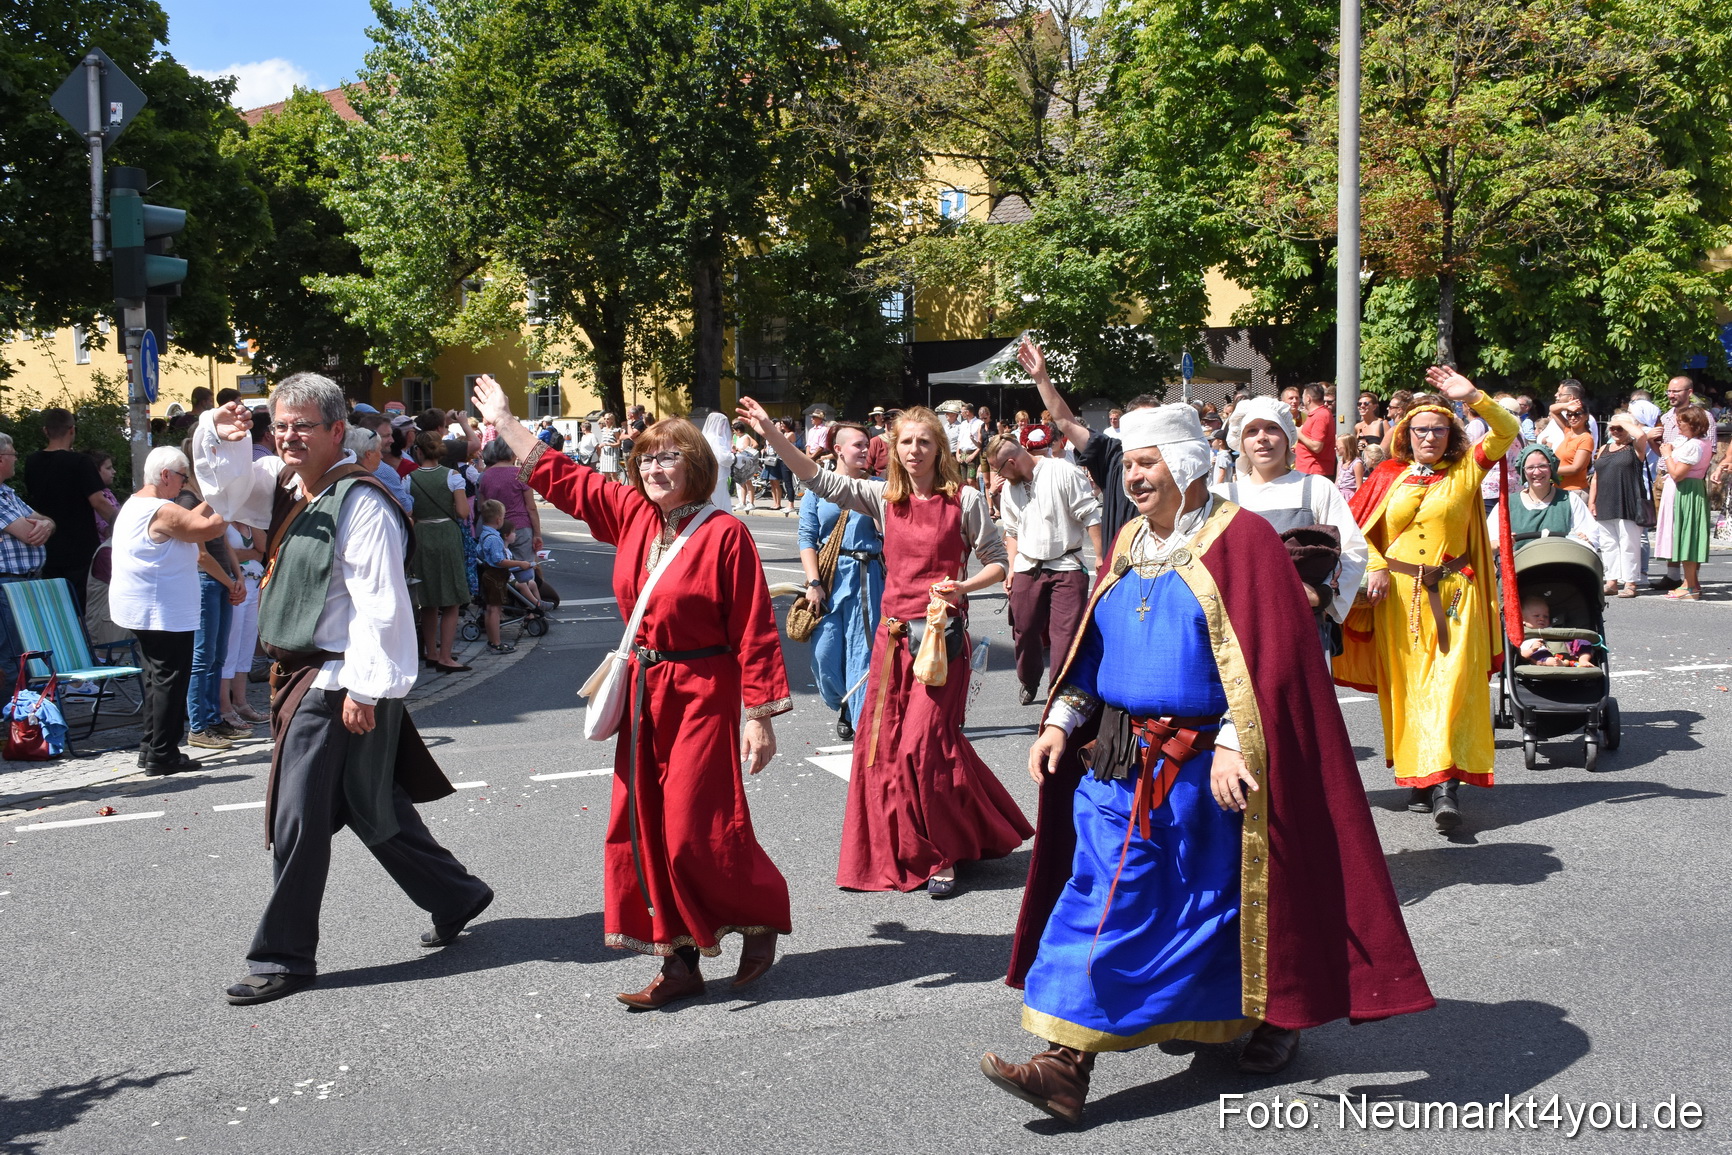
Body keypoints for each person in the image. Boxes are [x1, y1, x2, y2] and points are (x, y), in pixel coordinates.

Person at [984, 404, 1432, 1126]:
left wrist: (1232, 740)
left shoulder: (1244, 541)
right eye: (1128, 464)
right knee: (1103, 893)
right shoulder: (1128, 540)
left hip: (1207, 773)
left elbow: (1274, 666)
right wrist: (1064, 720)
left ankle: (1267, 1012)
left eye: (1148, 462)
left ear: (1188, 466)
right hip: (1120, 758)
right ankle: (1065, 1061)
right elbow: (1092, 650)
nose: (1133, 476)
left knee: (1207, 907)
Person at [474, 374, 792, 1008]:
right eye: (644, 457)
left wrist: (760, 713)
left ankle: (758, 917)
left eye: (668, 456)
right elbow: (563, 477)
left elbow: (755, 627)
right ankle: (677, 962)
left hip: (702, 688)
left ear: (696, 465)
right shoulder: (631, 514)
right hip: (645, 690)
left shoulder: (726, 533)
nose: (653, 467)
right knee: (641, 824)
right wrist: (509, 421)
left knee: (692, 824)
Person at [194, 378, 494, 1006]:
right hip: (307, 678)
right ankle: (456, 894)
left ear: (337, 432)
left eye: (302, 425)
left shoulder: (363, 502)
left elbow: (380, 606)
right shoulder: (281, 485)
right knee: (369, 802)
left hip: (336, 681)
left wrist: (364, 687)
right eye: (278, 425)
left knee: (296, 815)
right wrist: (221, 439)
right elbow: (221, 495)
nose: (287, 436)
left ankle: (283, 957)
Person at [740, 397, 1031, 898]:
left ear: (940, 447)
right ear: (892, 449)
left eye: (924, 441)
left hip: (942, 641)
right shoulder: (881, 498)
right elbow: (816, 478)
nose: (915, 450)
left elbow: (997, 561)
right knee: (885, 749)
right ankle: (933, 838)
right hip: (892, 641)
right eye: (906, 442)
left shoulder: (965, 499)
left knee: (924, 744)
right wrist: (772, 434)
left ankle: (938, 855)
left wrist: (964, 587)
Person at [1336, 367, 1520, 833]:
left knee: (1452, 684)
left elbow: (1507, 430)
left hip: (1456, 596)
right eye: (1421, 430)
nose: (1431, 437)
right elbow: (1360, 533)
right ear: (1405, 434)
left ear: (1451, 435)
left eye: (1440, 430)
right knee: (1409, 688)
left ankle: (1445, 787)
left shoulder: (1465, 470)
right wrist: (1374, 566)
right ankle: (1420, 776)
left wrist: (1473, 397)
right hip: (1396, 598)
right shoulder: (1386, 476)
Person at [1214, 396, 1369, 649]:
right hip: (1240, 629)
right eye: (1252, 431)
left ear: (1287, 437)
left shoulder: (1316, 488)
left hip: (1304, 628)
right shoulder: (1223, 496)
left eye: (1272, 428)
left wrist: (1323, 595)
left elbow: (1352, 551)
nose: (1262, 437)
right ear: (1241, 443)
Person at [109, 447, 225, 774]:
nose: (184, 485)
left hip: (146, 607)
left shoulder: (137, 503)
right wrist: (231, 503)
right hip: (161, 609)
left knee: (155, 678)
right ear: (165, 476)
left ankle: (151, 748)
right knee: (170, 680)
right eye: (182, 478)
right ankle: (163, 754)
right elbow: (208, 529)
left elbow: (193, 519)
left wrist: (217, 499)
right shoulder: (159, 509)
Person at [1017, 338, 1157, 569]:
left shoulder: (1174, 462)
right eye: (1140, 422)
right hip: (1121, 567)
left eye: (1154, 423)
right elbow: (1065, 420)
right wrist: (1041, 377)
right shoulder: (1112, 454)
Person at [988, 435, 1102, 706]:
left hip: (1067, 564)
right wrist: (1012, 568)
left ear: (1011, 462)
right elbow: (1012, 531)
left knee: (1065, 634)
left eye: (998, 469)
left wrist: (1100, 556)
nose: (997, 477)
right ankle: (1029, 679)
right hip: (1028, 565)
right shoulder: (1010, 488)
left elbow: (1090, 514)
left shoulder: (1063, 470)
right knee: (1024, 629)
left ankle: (1059, 691)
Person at [797, 423, 885, 741]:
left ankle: (862, 722)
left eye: (867, 446)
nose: (865, 451)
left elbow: (891, 536)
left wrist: (878, 506)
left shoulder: (878, 487)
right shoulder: (816, 491)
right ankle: (844, 703)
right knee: (825, 654)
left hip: (867, 575)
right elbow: (807, 537)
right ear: (838, 449)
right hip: (830, 578)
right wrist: (813, 582)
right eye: (858, 445)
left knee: (863, 652)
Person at [23, 408, 118, 619]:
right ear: (72, 430)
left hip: (46, 547)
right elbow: (98, 502)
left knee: (55, 613)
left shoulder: (32, 462)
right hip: (81, 550)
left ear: (45, 431)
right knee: (82, 613)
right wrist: (121, 524)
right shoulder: (80, 462)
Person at [179, 456, 246, 750]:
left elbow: (224, 541)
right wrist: (230, 581)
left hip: (222, 580)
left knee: (218, 655)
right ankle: (199, 725)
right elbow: (200, 555)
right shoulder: (186, 500)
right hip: (206, 581)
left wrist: (238, 575)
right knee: (202, 656)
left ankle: (213, 717)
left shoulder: (209, 499)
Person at [407, 429, 473, 673]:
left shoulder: (409, 478)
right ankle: (446, 656)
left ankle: (431, 652)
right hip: (446, 535)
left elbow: (409, 511)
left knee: (428, 600)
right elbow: (464, 512)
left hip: (421, 535)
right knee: (452, 599)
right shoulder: (452, 476)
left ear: (419, 451)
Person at [0, 433, 55, 686]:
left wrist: (47, 524)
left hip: (26, 582)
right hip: (7, 584)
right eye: (13, 455)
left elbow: (45, 520)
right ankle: (14, 716)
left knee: (27, 650)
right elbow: (28, 532)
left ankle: (25, 714)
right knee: (10, 654)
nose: (15, 460)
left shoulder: (8, 493)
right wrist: (43, 525)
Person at [1489, 445, 1602, 555]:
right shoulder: (1507, 504)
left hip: (1563, 568)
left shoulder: (1569, 499)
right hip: (1520, 570)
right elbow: (1489, 543)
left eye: (1542, 466)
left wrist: (1585, 540)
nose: (1537, 472)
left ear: (1551, 468)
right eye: (1530, 467)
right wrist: (1500, 543)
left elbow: (1591, 535)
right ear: (1523, 471)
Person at [1591, 414, 1650, 598]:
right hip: (1605, 500)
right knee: (1608, 544)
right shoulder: (1604, 448)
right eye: (1612, 428)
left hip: (1628, 499)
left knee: (1629, 543)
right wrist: (1592, 501)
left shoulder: (1635, 447)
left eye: (1620, 428)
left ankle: (1631, 582)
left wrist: (1623, 421)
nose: (1615, 431)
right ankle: (1612, 581)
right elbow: (1596, 477)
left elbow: (1641, 435)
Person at [218, 513, 268, 728]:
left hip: (254, 585)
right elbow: (224, 553)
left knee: (246, 646)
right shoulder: (221, 516)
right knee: (230, 646)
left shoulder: (249, 517)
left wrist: (251, 518)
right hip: (234, 584)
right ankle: (224, 706)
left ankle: (241, 702)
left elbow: (262, 548)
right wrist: (251, 554)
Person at [1657, 405, 1711, 600]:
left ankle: (1690, 588)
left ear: (1694, 424)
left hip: (1685, 492)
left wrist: (1667, 454)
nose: (1678, 426)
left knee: (1687, 537)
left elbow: (1677, 474)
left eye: (1682, 423)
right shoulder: (1699, 442)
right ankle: (1690, 583)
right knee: (1686, 536)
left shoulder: (1694, 445)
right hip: (1688, 490)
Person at [475, 498, 537, 653]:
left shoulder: (484, 534)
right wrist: (520, 564)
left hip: (488, 574)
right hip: (495, 576)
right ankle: (496, 643)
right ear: (498, 519)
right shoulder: (495, 538)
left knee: (490, 609)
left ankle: (492, 641)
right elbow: (499, 561)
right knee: (494, 610)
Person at [478, 439, 542, 572]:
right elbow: (531, 507)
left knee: (501, 570)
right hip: (520, 527)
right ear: (513, 453)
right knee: (524, 572)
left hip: (496, 529)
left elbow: (482, 506)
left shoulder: (486, 476)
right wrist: (537, 534)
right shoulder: (521, 474)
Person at [1516, 595, 1598, 667]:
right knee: (1538, 654)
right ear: (1523, 619)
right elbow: (1523, 655)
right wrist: (1532, 649)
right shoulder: (1524, 635)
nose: (1542, 618)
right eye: (1536, 616)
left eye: (1546, 616)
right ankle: (1554, 662)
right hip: (1546, 656)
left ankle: (1583, 659)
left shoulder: (1551, 628)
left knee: (1583, 640)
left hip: (1568, 650)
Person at [1548, 401, 1594, 491]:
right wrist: (1566, 405)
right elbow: (1553, 410)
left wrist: (1548, 469)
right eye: (1569, 415)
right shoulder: (1568, 432)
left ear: (1586, 416)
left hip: (1575, 490)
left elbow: (1575, 468)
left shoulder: (1586, 438)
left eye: (1577, 414)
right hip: (1558, 488)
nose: (1572, 418)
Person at [1292, 384, 1337, 477]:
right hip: (1309, 469)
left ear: (1308, 398)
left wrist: (1299, 434)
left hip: (1314, 470)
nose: (1301, 400)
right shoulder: (1318, 414)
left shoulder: (1320, 415)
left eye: (1302, 397)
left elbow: (1317, 446)